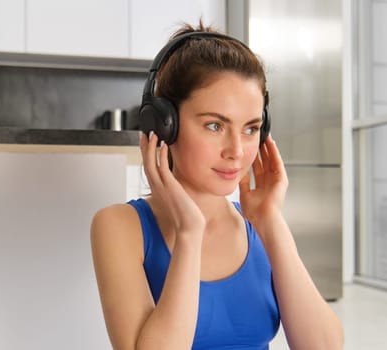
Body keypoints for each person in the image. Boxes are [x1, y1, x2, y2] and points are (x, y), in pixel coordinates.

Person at [90, 23, 344, 350]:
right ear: (165, 126)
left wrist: (270, 221)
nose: (236, 150)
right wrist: (189, 232)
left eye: (251, 128)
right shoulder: (120, 227)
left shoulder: (260, 228)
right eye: (215, 125)